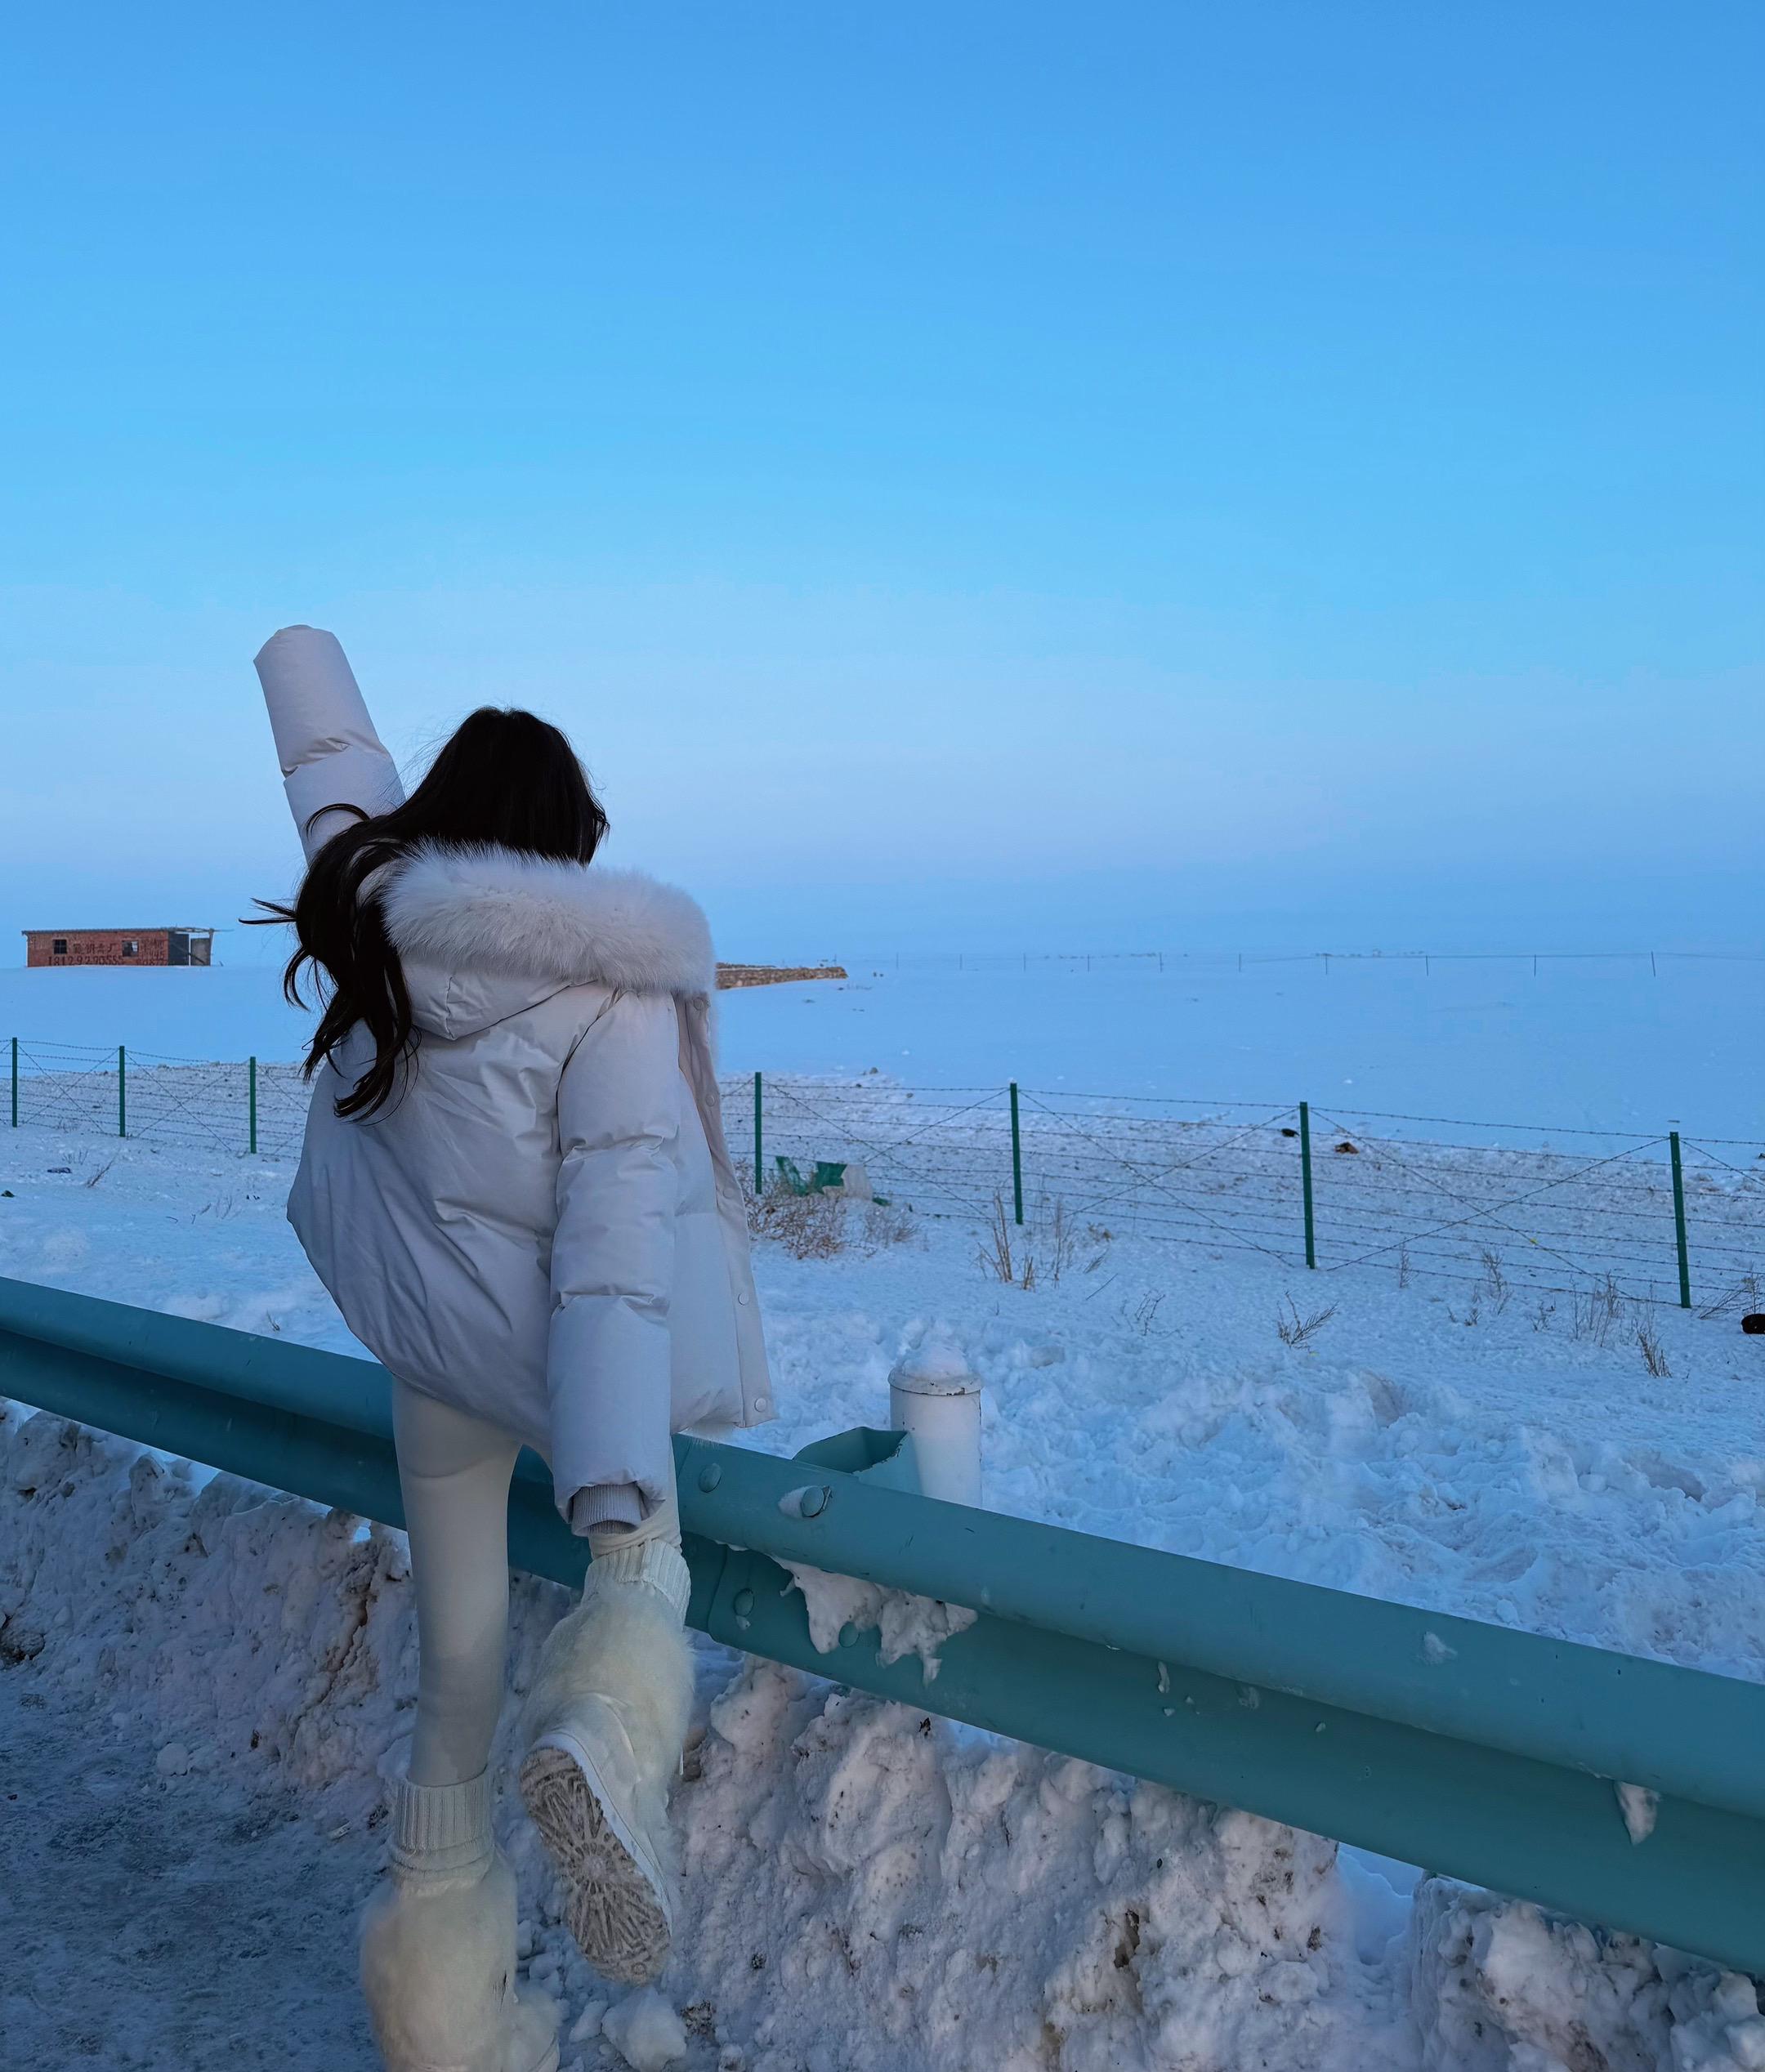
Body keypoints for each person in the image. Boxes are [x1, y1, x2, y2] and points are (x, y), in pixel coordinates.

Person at [252, 626, 773, 2072]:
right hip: (555, 1373)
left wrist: (298, 658)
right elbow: (612, 1256)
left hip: (435, 1378)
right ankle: (605, 1727)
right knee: (641, 1570)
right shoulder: (612, 985)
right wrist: (609, 1484)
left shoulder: (381, 924)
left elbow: (332, 785)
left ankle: (441, 2024)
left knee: (457, 1680)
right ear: (566, 840)